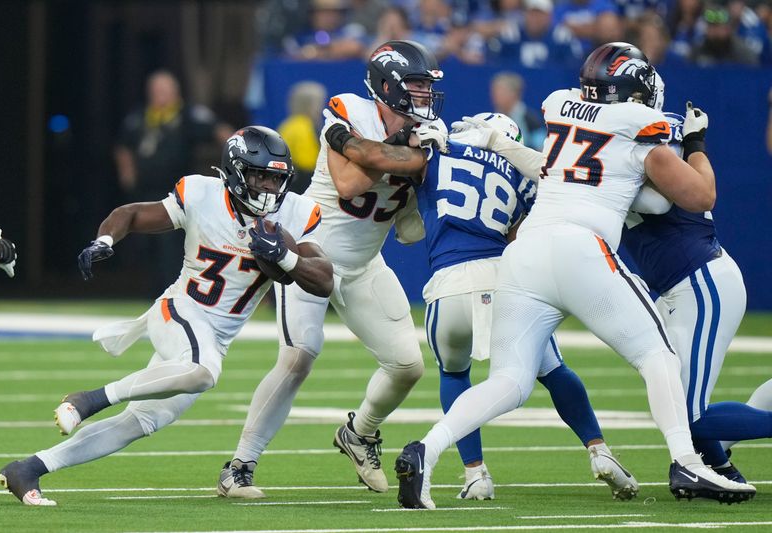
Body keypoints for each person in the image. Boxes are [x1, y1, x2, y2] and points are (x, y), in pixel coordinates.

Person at [393, 42, 756, 509]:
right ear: (635, 93)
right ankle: (687, 461)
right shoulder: (640, 127)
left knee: (510, 381)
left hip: (526, 254)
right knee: (657, 355)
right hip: (581, 248)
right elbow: (699, 196)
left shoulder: (562, 108)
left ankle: (427, 448)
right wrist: (695, 143)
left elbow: (555, 170)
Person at [0, 127, 334, 506]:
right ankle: (89, 399)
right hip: (179, 310)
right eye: (260, 176)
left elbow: (323, 281)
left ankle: (28, 468)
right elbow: (133, 213)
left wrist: (285, 256)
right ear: (236, 172)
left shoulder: (297, 212)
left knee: (140, 422)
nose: (269, 188)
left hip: (214, 338)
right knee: (204, 372)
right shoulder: (201, 193)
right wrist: (105, 240)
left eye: (276, 178)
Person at [322, 111, 640, 501]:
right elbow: (519, 235)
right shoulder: (520, 175)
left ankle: (475, 474)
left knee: (455, 375)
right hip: (505, 279)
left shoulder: (438, 151)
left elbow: (381, 162)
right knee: (553, 370)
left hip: (449, 285)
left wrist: (338, 136)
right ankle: (599, 450)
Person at [216, 40, 442, 498]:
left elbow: (411, 229)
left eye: (426, 85)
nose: (424, 93)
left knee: (407, 365)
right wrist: (405, 152)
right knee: (299, 356)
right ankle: (239, 466)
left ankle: (359, 433)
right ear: (387, 85)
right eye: (416, 84)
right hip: (309, 251)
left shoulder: (432, 130)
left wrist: (412, 166)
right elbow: (350, 182)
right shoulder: (349, 111)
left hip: (363, 263)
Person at [622, 76, 772, 483]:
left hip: (701, 281)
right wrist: (696, 144)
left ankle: (712, 463)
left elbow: (659, 199)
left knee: (687, 416)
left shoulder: (650, 135)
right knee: (676, 406)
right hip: (678, 286)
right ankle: (718, 467)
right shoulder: (637, 136)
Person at [113, 70, 234, 295]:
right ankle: (150, 292)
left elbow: (223, 133)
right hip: (145, 191)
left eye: (164, 90)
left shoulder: (189, 115)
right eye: (156, 90)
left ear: (175, 92)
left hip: (175, 194)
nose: (159, 95)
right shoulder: (140, 117)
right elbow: (123, 145)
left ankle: (172, 292)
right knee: (145, 245)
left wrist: (237, 165)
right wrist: (127, 174)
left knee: (170, 245)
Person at [277, 81, 328, 194]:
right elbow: (306, 162)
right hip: (304, 183)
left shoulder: (287, 125)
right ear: (309, 105)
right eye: (319, 103)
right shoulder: (305, 126)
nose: (321, 108)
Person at [490, 72, 545, 150]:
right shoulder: (493, 117)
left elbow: (541, 148)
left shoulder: (530, 119)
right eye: (494, 92)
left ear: (514, 94)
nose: (495, 96)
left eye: (501, 92)